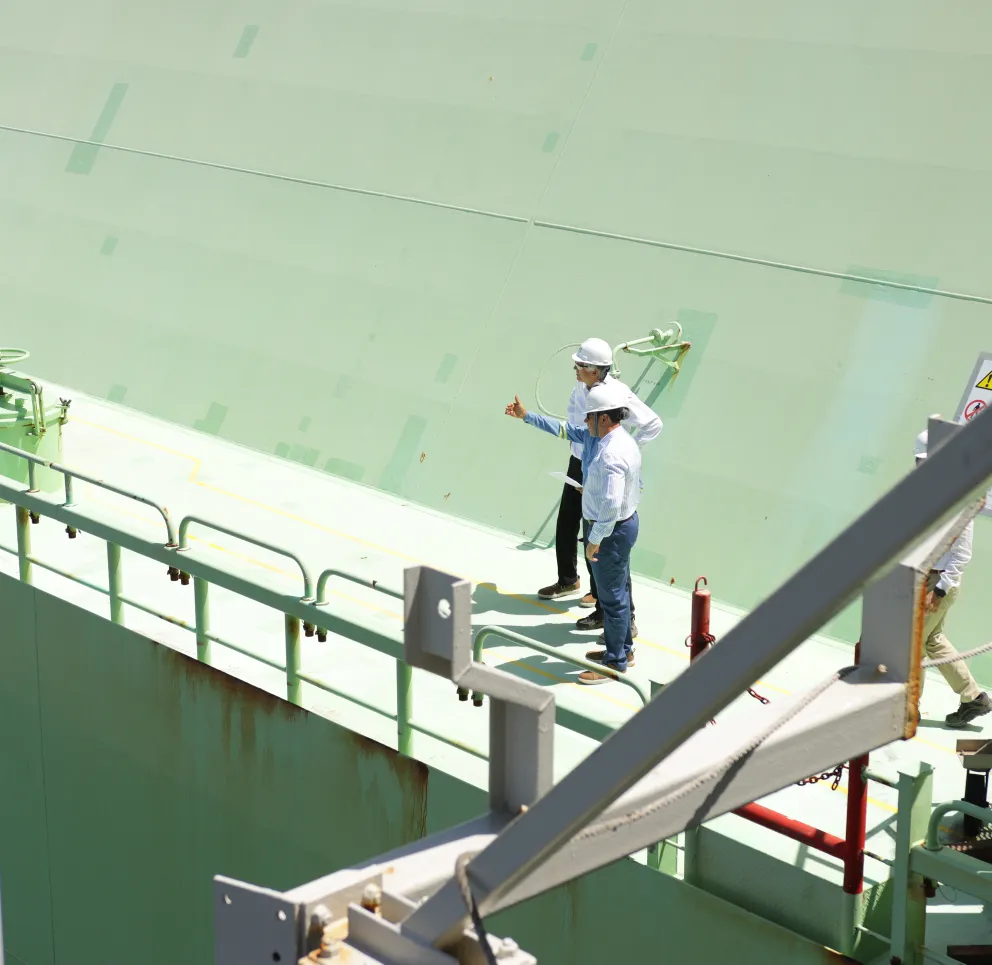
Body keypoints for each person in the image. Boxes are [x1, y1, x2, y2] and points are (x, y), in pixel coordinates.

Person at [506, 382, 641, 683]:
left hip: (610, 530)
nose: (584, 421)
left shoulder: (610, 455)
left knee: (612, 599)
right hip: (617, 525)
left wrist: (594, 541)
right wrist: (527, 416)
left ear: (603, 418)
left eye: (588, 415)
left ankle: (614, 663)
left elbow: (610, 504)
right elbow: (564, 430)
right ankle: (624, 650)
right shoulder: (604, 439)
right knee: (616, 591)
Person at [536, 338, 661, 642]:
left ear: (594, 369)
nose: (575, 369)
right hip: (581, 462)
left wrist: (626, 450)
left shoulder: (617, 394)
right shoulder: (580, 389)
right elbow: (572, 423)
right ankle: (571, 581)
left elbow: (652, 424)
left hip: (604, 468)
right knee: (569, 524)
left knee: (601, 540)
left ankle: (611, 611)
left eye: (579, 365)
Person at [915, 430, 991, 728]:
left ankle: (909, 709)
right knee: (932, 640)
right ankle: (973, 698)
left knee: (914, 647)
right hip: (927, 579)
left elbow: (962, 553)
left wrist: (940, 590)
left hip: (938, 584)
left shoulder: (959, 496)